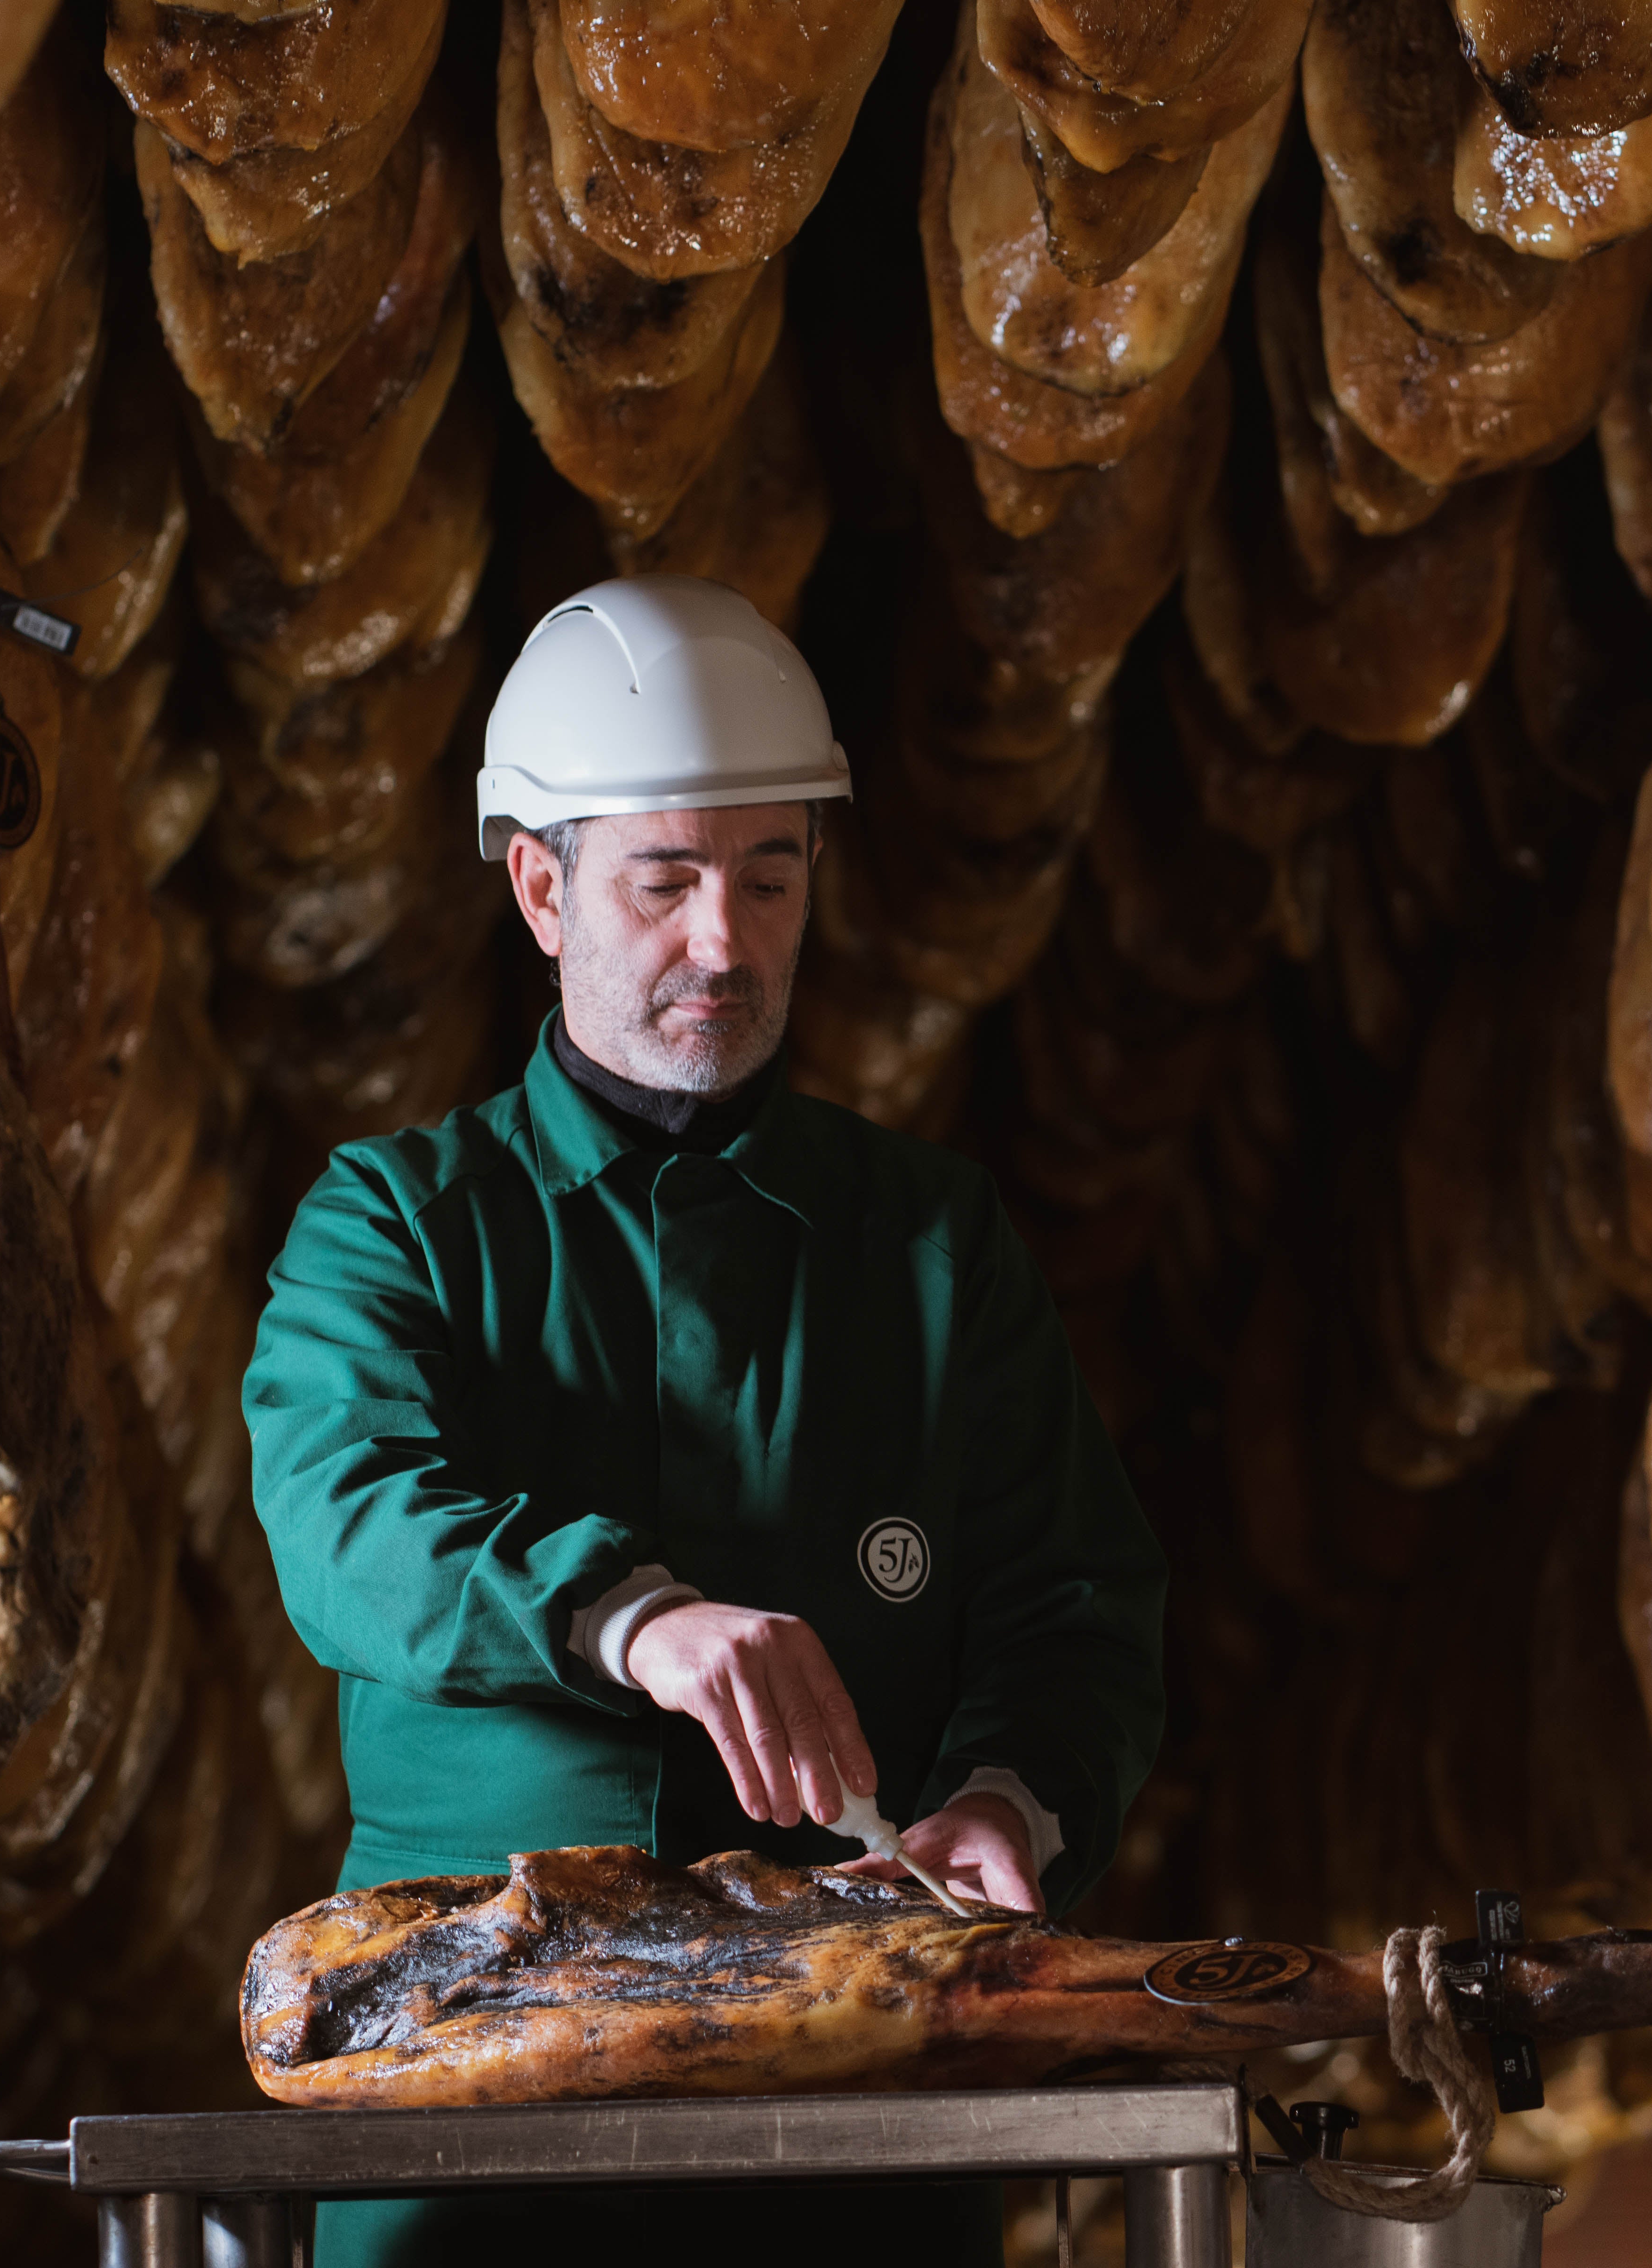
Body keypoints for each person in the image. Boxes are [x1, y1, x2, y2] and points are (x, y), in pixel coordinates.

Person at [247, 576, 1170, 2268]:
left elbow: (1076, 1604)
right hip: (469, 2069)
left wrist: (1012, 1803)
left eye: (769, 875)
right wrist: (635, 1618)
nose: (725, 943)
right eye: (664, 882)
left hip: (859, 2101)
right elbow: (342, 1512)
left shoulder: (932, 1243)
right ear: (541, 887)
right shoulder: (397, 1223)